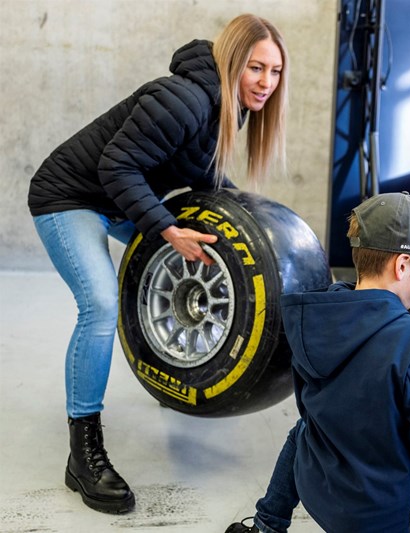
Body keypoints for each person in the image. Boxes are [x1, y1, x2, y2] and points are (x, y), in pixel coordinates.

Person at [27, 14, 289, 514]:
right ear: (233, 61)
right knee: (101, 306)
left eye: (275, 73)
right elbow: (115, 165)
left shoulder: (229, 109)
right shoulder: (185, 99)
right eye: (256, 68)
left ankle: (175, 370)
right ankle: (83, 453)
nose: (266, 83)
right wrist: (166, 229)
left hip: (120, 198)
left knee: (207, 250)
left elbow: (205, 178)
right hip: (71, 197)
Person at [227, 192, 410, 533]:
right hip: (375, 516)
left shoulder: (314, 316)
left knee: (303, 430)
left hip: (317, 488)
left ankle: (266, 525)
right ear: (402, 265)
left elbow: (307, 406)